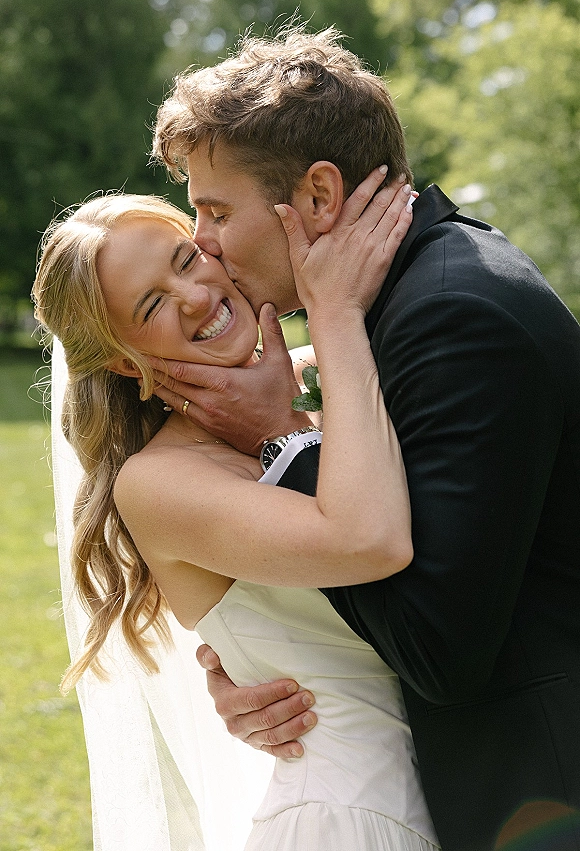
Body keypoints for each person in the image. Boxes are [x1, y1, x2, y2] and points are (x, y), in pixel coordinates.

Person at [150, 26, 580, 851]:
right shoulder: (406, 304)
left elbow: (439, 646)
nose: (201, 242)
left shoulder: (457, 318)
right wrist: (266, 662)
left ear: (316, 196)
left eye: (215, 210)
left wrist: (282, 440)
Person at [33, 182, 441, 851]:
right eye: (152, 303)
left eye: (186, 259)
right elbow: (368, 539)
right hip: (353, 820)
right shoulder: (160, 483)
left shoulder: (320, 379)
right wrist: (288, 404)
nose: (196, 296)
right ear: (119, 358)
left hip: (456, 790)